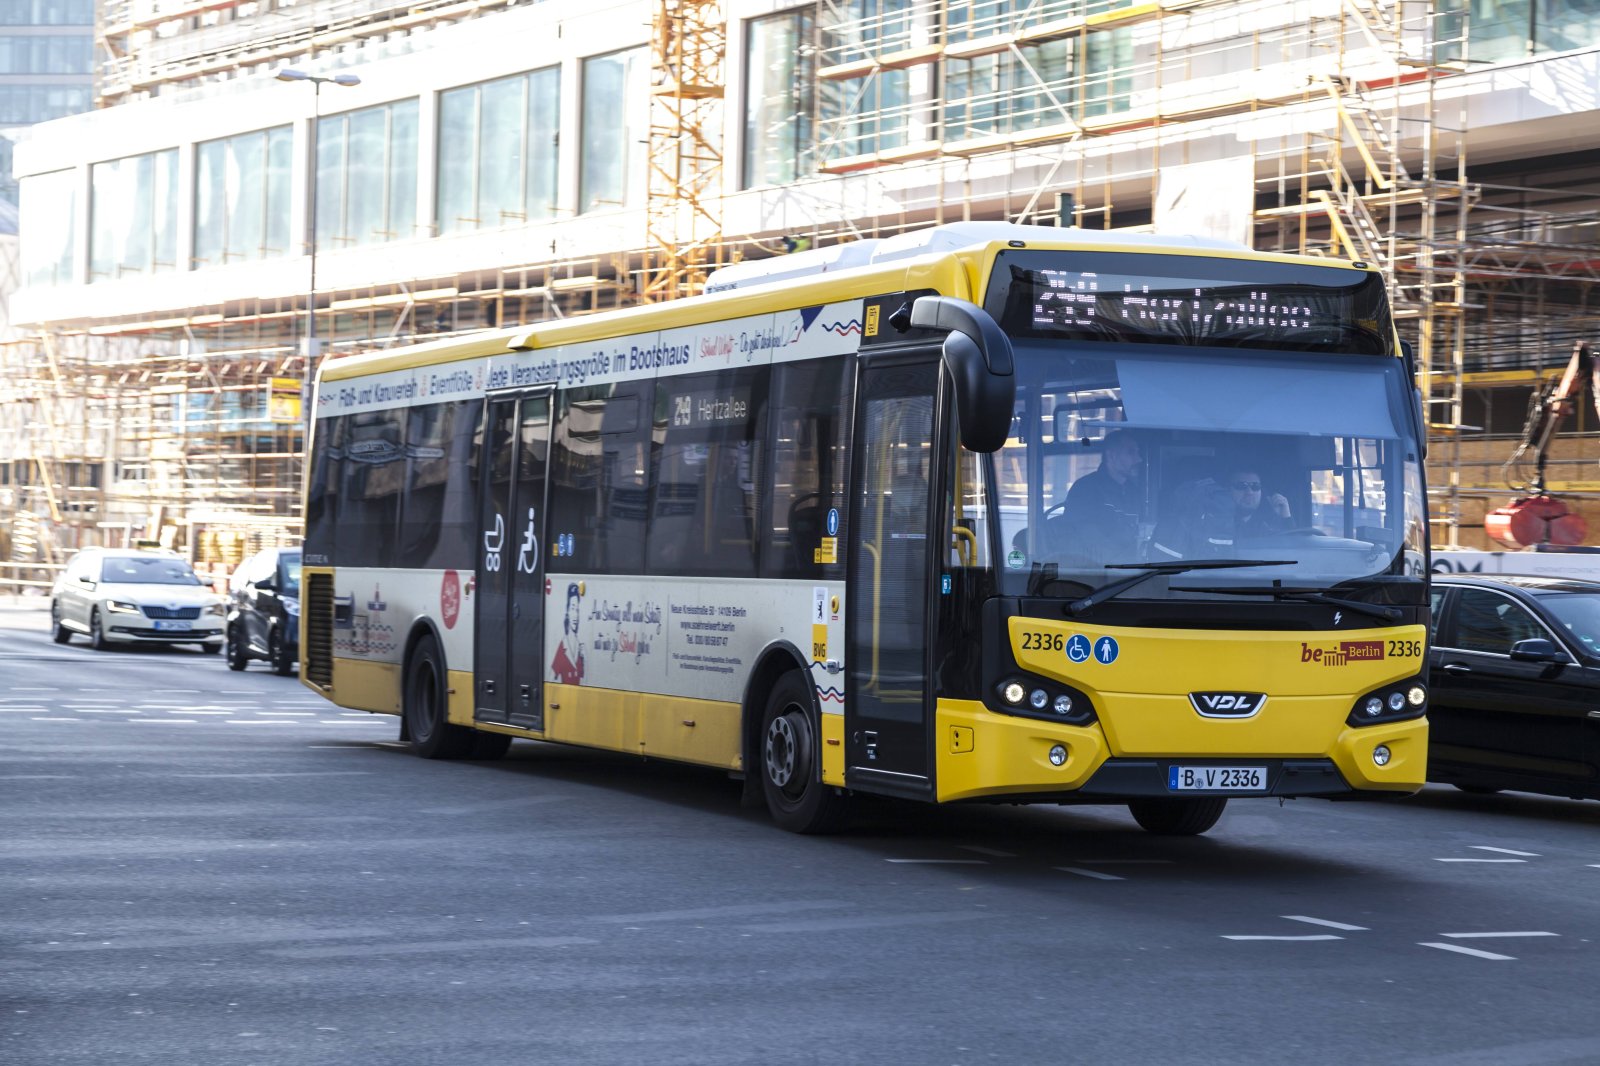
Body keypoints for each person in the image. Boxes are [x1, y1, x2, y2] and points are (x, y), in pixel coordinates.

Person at [1151, 462, 1293, 559]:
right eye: (1241, 485)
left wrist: (1285, 517)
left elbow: (1295, 558)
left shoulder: (1271, 524)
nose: (1249, 492)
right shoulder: (1208, 524)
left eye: (1255, 486)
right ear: (1226, 490)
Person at [1050, 430, 1144, 563]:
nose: (1139, 459)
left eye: (1138, 452)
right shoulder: (1086, 490)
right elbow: (1088, 539)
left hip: (1131, 570)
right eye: (1130, 452)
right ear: (1112, 456)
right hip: (1094, 573)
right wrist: (1127, 563)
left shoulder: (1134, 492)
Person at [550, 582, 585, 685]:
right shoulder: (562, 647)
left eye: (577, 610)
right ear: (567, 612)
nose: (575, 615)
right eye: (573, 609)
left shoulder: (581, 648)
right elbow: (552, 678)